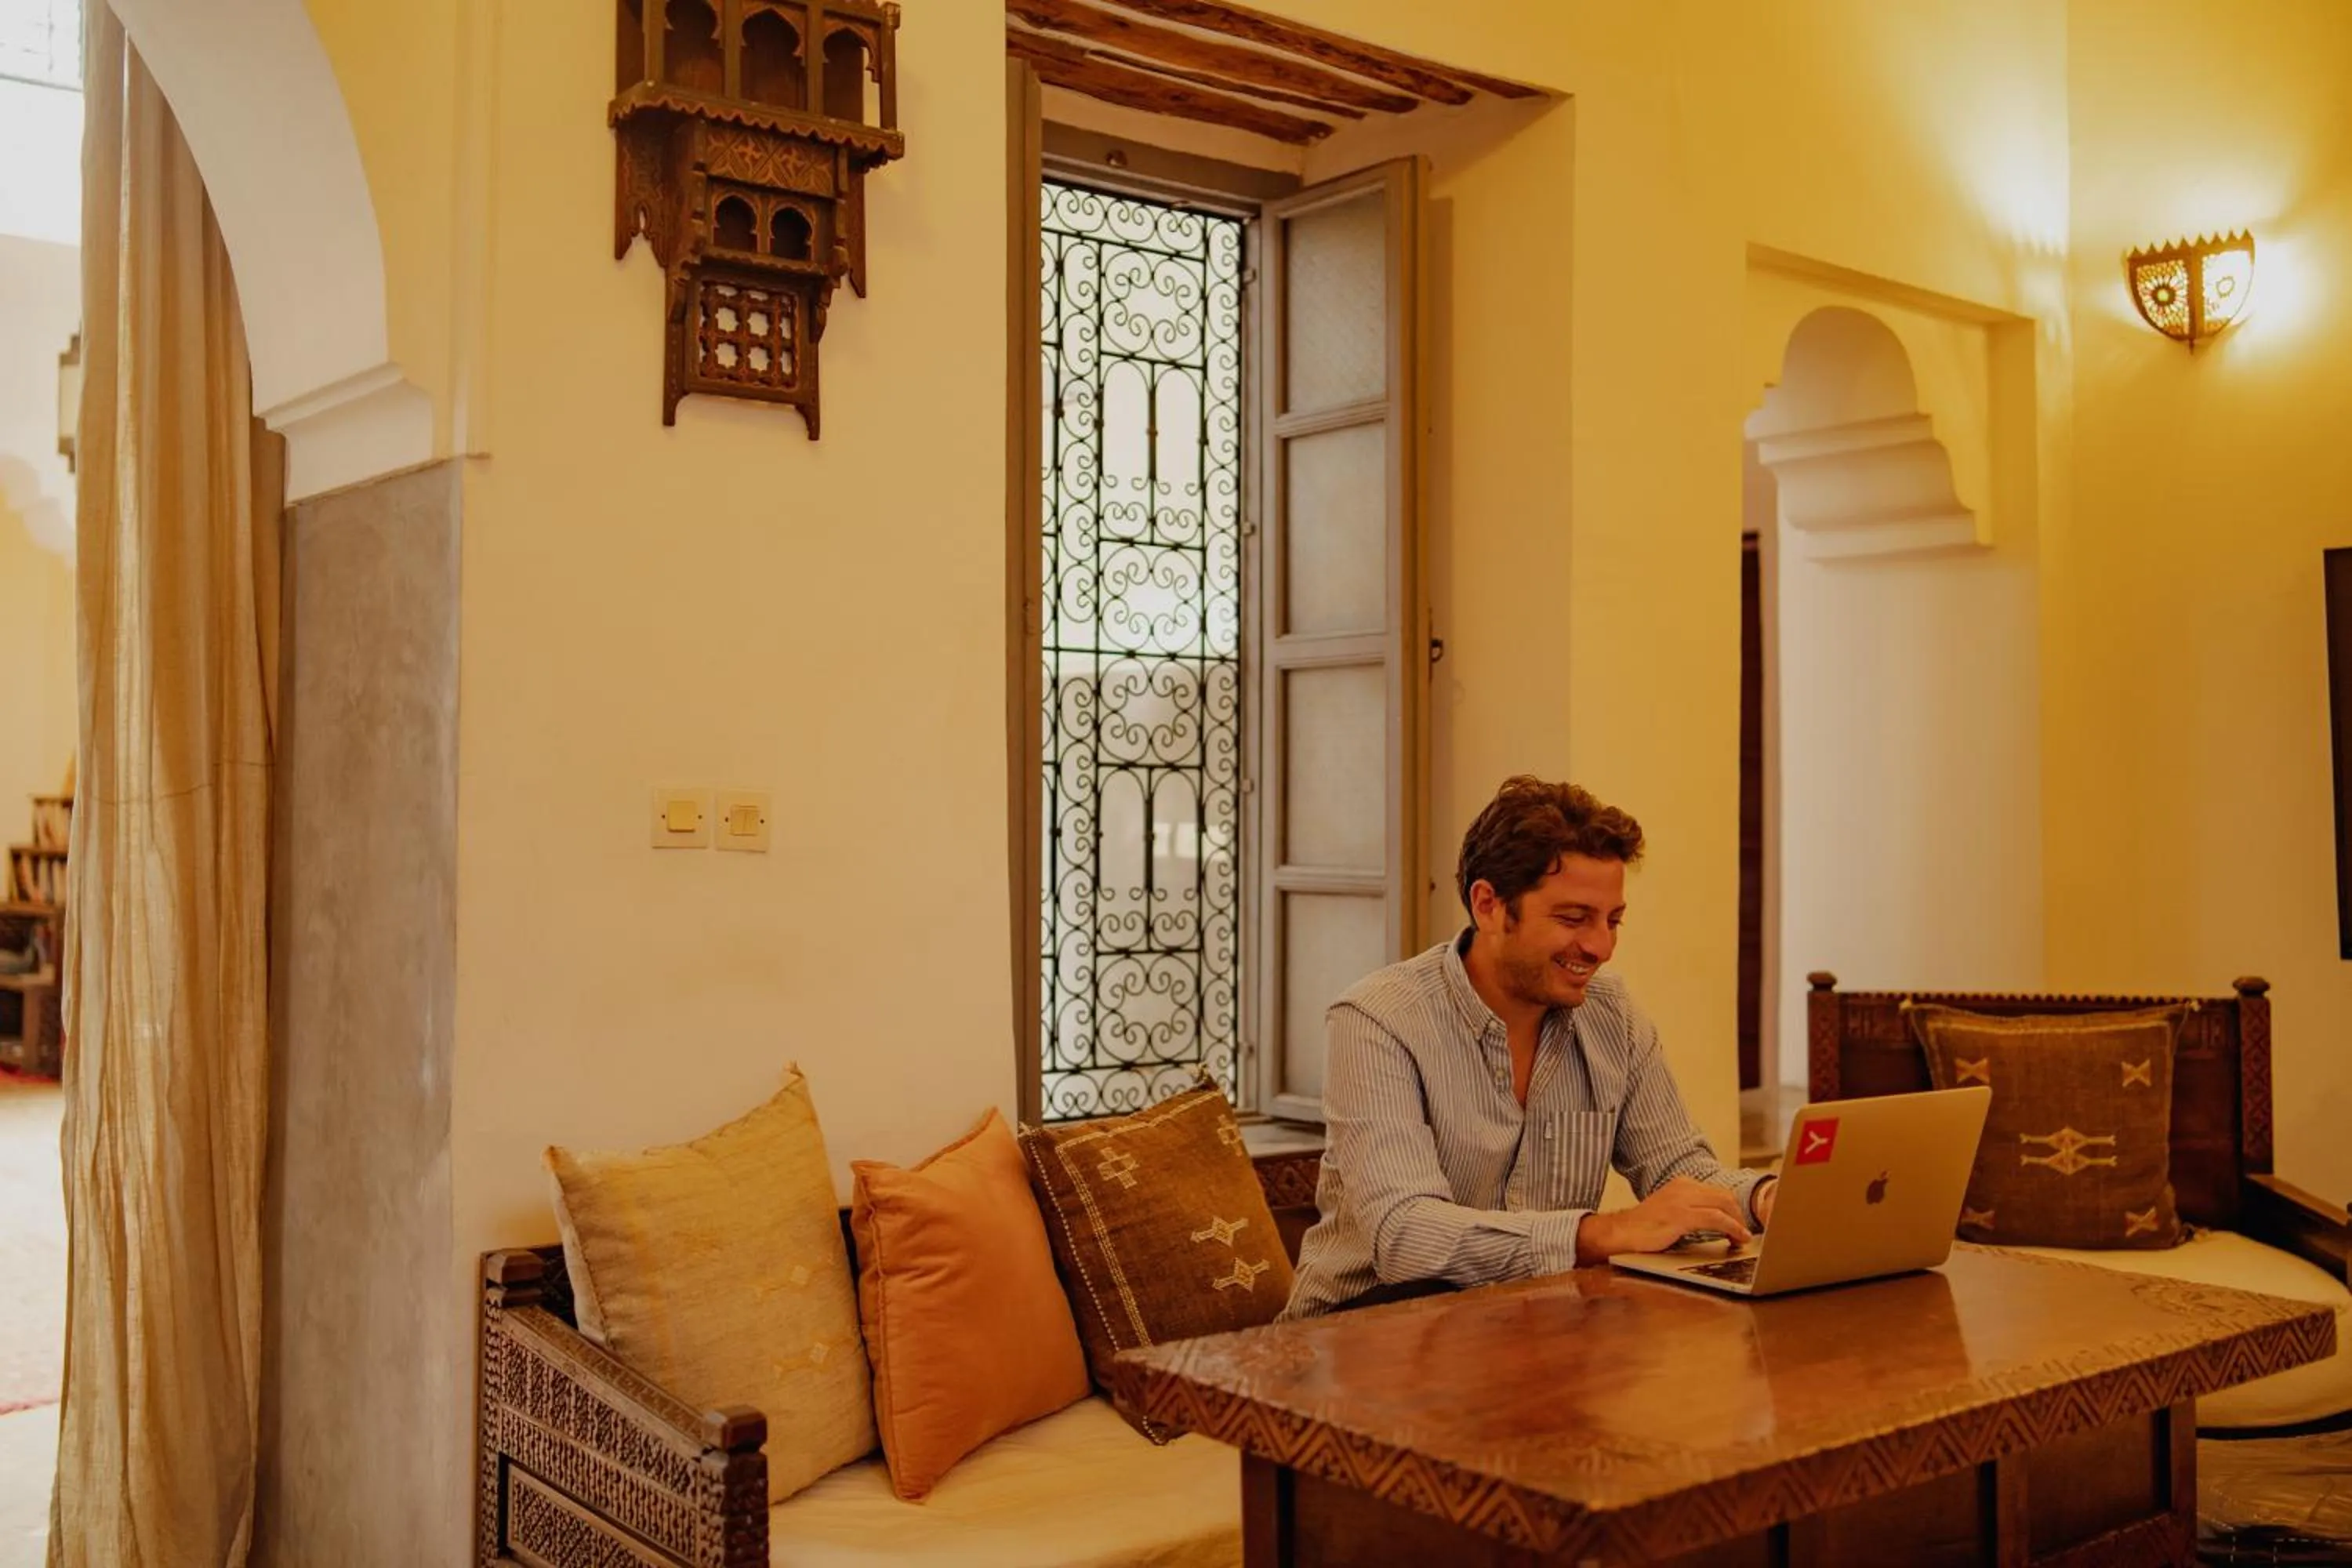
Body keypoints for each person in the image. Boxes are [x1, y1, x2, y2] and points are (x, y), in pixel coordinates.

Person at [1281, 775, 1779, 1319]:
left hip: (1525, 1328)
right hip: (1362, 1331)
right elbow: (1406, 1233)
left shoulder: (1612, 1016)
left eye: (1613, 921)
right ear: (1489, 905)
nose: (1601, 947)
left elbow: (1678, 1171)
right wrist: (1601, 1233)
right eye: (1573, 919)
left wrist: (1766, 1198)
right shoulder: (1378, 1019)